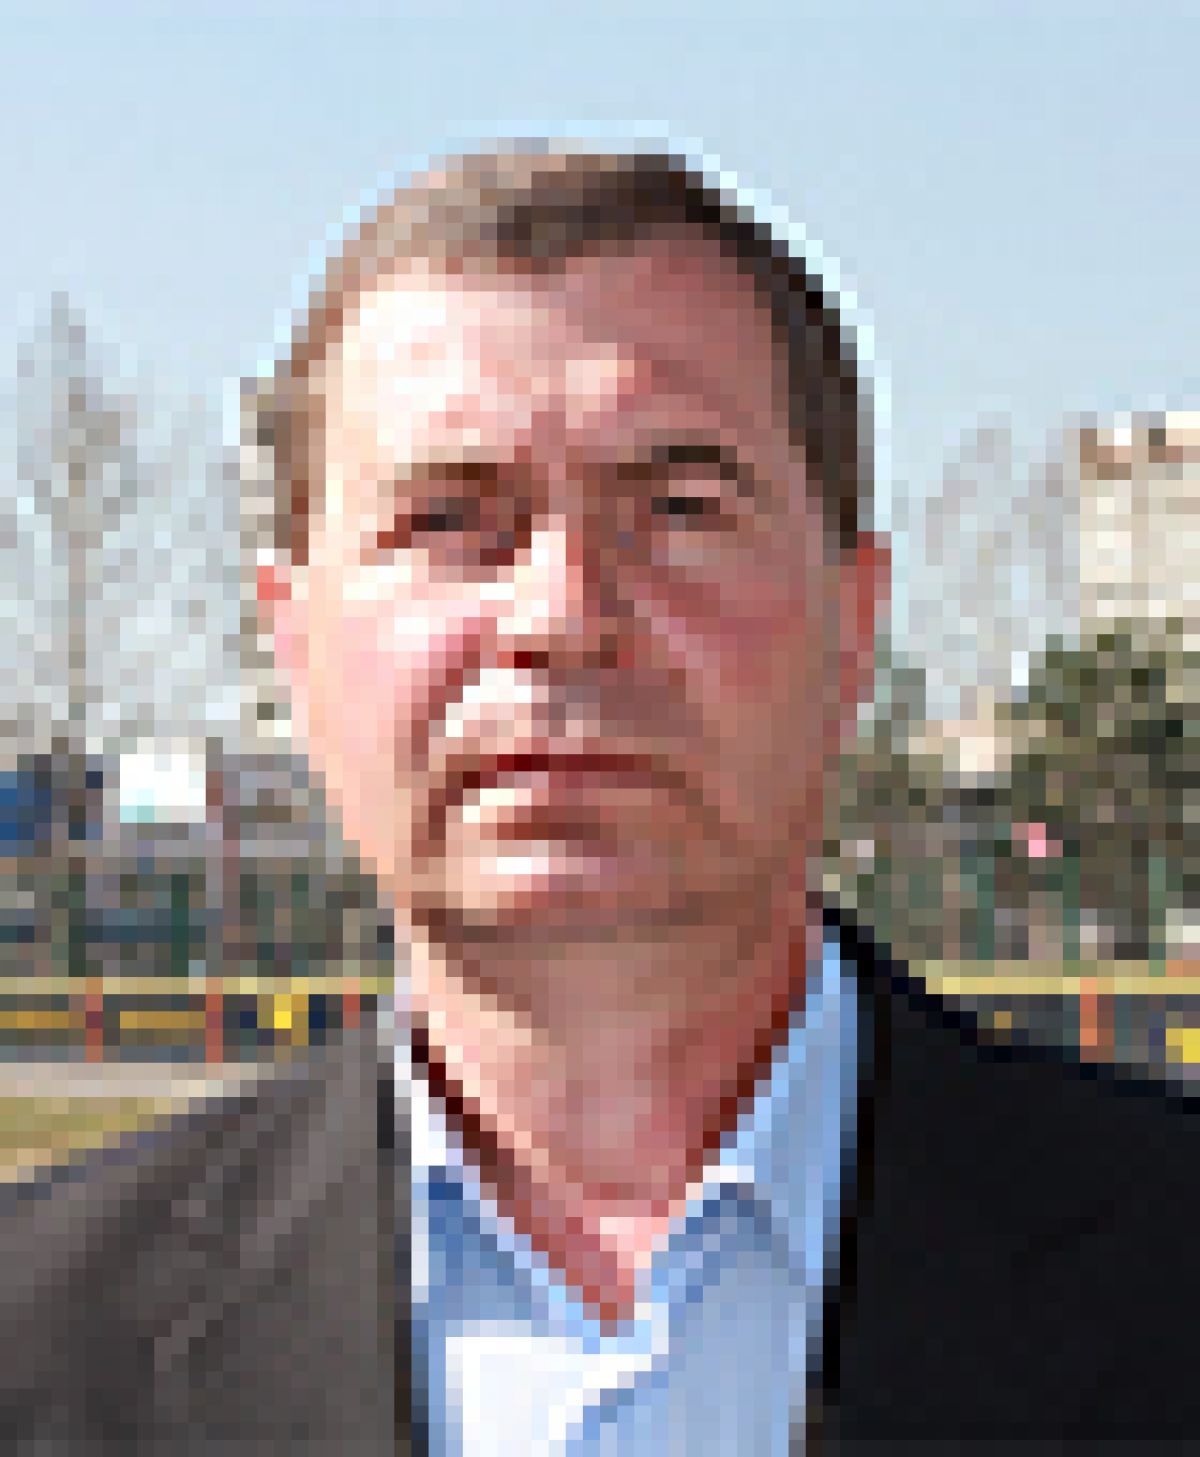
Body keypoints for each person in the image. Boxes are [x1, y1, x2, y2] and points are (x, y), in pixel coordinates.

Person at [3, 145, 1198, 1455]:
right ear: (293, 644)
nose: (563, 618)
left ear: (852, 625)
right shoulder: (38, 1341)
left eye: (679, 509)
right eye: (447, 520)